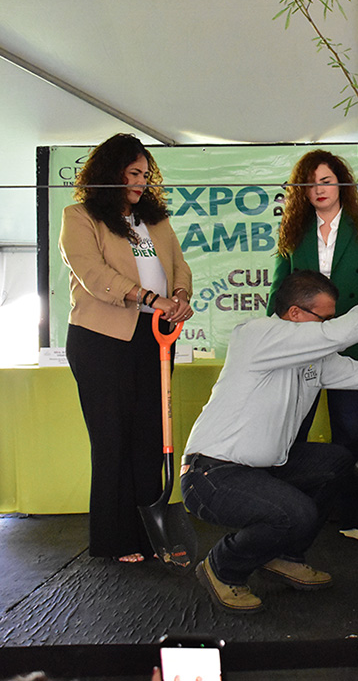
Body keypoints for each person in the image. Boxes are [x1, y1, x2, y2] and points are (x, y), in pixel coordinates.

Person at [181, 270, 358, 613]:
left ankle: (284, 555)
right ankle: (222, 567)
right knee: (296, 514)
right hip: (210, 476)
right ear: (294, 314)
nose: (328, 328)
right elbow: (340, 332)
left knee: (336, 462)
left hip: (263, 470)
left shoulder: (312, 359)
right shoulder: (257, 335)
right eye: (324, 319)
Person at [59, 133, 193, 564]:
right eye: (133, 174)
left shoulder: (153, 220)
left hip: (154, 339)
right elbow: (93, 275)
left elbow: (179, 264)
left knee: (151, 438)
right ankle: (114, 540)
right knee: (112, 437)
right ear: (110, 173)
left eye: (145, 175)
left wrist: (180, 296)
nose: (141, 182)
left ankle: (148, 535)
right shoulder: (79, 216)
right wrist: (150, 298)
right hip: (101, 341)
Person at [267, 149, 358, 539]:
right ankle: (290, 514)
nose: (318, 190)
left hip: (350, 342)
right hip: (301, 344)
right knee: (294, 430)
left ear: (341, 183)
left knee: (351, 430)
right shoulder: (293, 229)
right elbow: (278, 286)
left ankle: (353, 515)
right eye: (309, 183)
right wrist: (274, 328)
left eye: (325, 180)